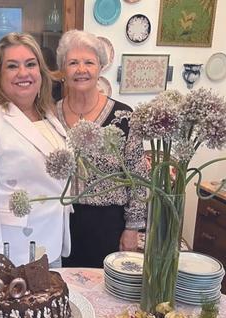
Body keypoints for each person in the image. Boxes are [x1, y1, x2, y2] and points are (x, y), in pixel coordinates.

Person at [0, 32, 70, 274]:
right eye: (12, 66)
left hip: (48, 247)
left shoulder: (49, 116)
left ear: (41, 72)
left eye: (31, 64)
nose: (23, 73)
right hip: (8, 254)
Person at [56, 29, 147, 268]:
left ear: (100, 68)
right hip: (60, 224)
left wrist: (132, 229)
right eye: (73, 62)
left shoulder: (124, 116)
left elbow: (138, 177)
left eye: (89, 62)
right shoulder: (50, 115)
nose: (81, 69)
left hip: (108, 226)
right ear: (63, 70)